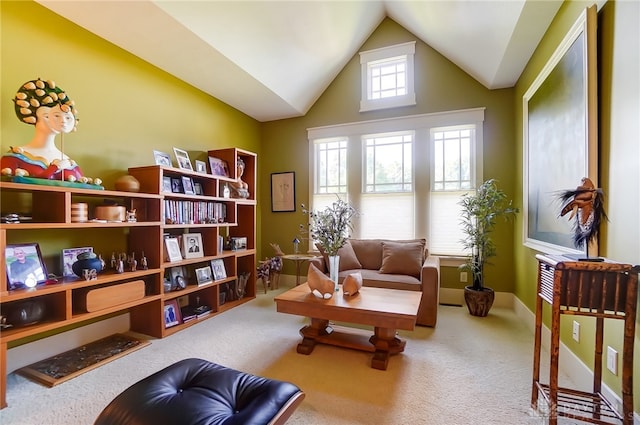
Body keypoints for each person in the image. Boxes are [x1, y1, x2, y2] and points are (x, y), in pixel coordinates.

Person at [1, 78, 98, 184]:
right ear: (34, 118)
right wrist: (55, 167)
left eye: (66, 118)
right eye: (48, 116)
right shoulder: (15, 157)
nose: (61, 122)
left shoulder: (69, 163)